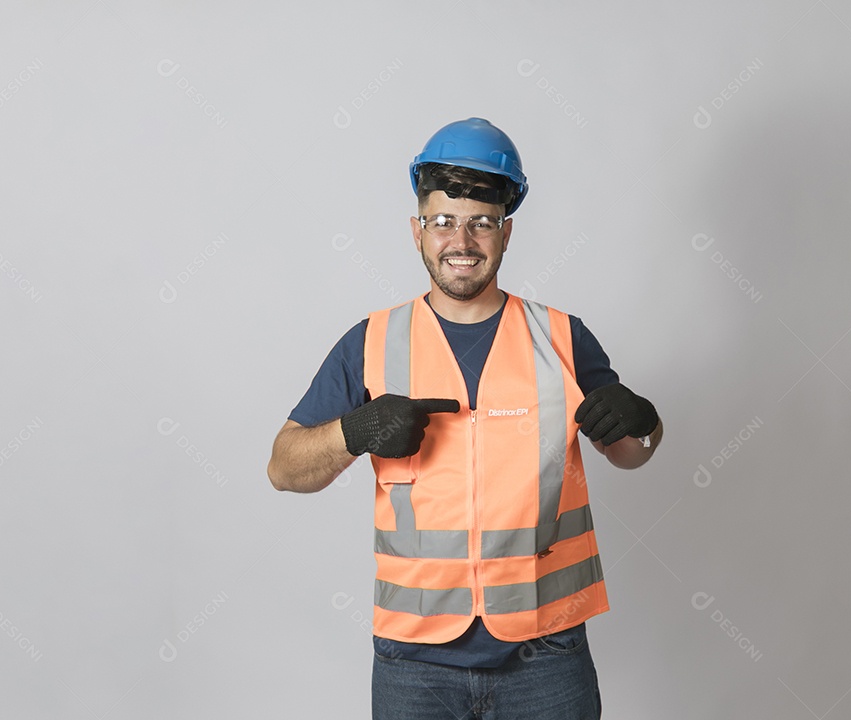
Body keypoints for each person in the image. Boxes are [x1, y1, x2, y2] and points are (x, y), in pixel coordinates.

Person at [267, 117, 663, 719]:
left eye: (481, 222)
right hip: (415, 660)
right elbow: (284, 468)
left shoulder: (562, 338)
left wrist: (646, 419)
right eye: (443, 220)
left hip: (547, 651)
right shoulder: (370, 343)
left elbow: (631, 450)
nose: (462, 239)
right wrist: (357, 431)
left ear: (506, 233)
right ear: (416, 231)